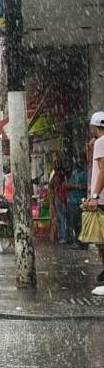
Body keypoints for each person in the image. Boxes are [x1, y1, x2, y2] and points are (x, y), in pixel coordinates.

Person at [85, 112, 104, 296]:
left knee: (101, 240)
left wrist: (95, 195)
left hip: (102, 199)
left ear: (94, 127)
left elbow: (103, 171)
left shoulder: (100, 142)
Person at [67, 156, 88, 248]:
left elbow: (87, 186)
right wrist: (75, 186)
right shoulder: (74, 173)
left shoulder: (85, 174)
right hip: (73, 200)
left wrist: (82, 186)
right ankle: (78, 242)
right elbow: (68, 185)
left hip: (82, 201)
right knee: (75, 222)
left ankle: (83, 243)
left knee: (82, 222)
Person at [48, 160, 69, 244]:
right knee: (61, 219)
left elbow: (51, 185)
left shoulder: (58, 176)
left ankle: (63, 237)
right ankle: (63, 237)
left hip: (60, 199)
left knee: (62, 219)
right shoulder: (60, 176)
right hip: (59, 199)